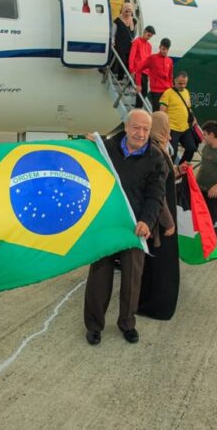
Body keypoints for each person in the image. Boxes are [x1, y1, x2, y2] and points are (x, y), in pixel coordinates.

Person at [84, 109, 166, 345]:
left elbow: (156, 194)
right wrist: (87, 143)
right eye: (137, 128)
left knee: (132, 278)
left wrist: (147, 221)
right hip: (107, 224)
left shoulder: (155, 157)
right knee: (99, 277)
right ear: (126, 126)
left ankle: (127, 324)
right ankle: (94, 325)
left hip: (135, 226)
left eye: (146, 129)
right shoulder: (106, 149)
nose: (141, 134)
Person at [138, 111, 180, 320]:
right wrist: (168, 222)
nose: (170, 135)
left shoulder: (156, 149)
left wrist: (178, 172)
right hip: (160, 222)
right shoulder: (156, 152)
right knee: (161, 265)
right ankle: (155, 306)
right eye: (167, 130)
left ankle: (147, 302)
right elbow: (158, 193)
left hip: (158, 218)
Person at [159, 71, 198, 163]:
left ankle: (181, 169)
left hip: (185, 127)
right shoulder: (168, 93)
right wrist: (164, 129)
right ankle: (170, 172)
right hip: (172, 128)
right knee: (173, 152)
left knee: (192, 148)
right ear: (174, 81)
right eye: (180, 83)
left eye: (185, 83)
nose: (182, 85)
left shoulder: (186, 92)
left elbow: (188, 108)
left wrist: (194, 118)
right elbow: (161, 112)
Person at [135, 38, 173, 111]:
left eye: (167, 49)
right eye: (163, 49)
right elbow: (138, 69)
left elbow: (170, 76)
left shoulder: (169, 61)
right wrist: (138, 84)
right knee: (156, 114)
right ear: (159, 47)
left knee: (166, 114)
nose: (165, 51)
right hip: (156, 91)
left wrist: (171, 89)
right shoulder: (152, 58)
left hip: (167, 91)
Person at [129, 25, 155, 109]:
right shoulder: (137, 42)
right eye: (148, 35)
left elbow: (149, 61)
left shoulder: (149, 46)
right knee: (140, 92)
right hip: (138, 71)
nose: (149, 37)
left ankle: (138, 109)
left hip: (146, 72)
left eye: (150, 36)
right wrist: (132, 70)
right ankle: (137, 109)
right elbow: (132, 57)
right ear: (144, 32)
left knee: (144, 92)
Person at [111, 2, 136, 81]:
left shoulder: (134, 21)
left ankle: (128, 80)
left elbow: (135, 33)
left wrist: (135, 40)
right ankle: (120, 78)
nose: (128, 13)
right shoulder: (117, 20)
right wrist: (113, 41)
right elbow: (113, 33)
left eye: (130, 11)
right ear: (123, 10)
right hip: (120, 44)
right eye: (126, 11)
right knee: (122, 61)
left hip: (130, 45)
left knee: (129, 62)